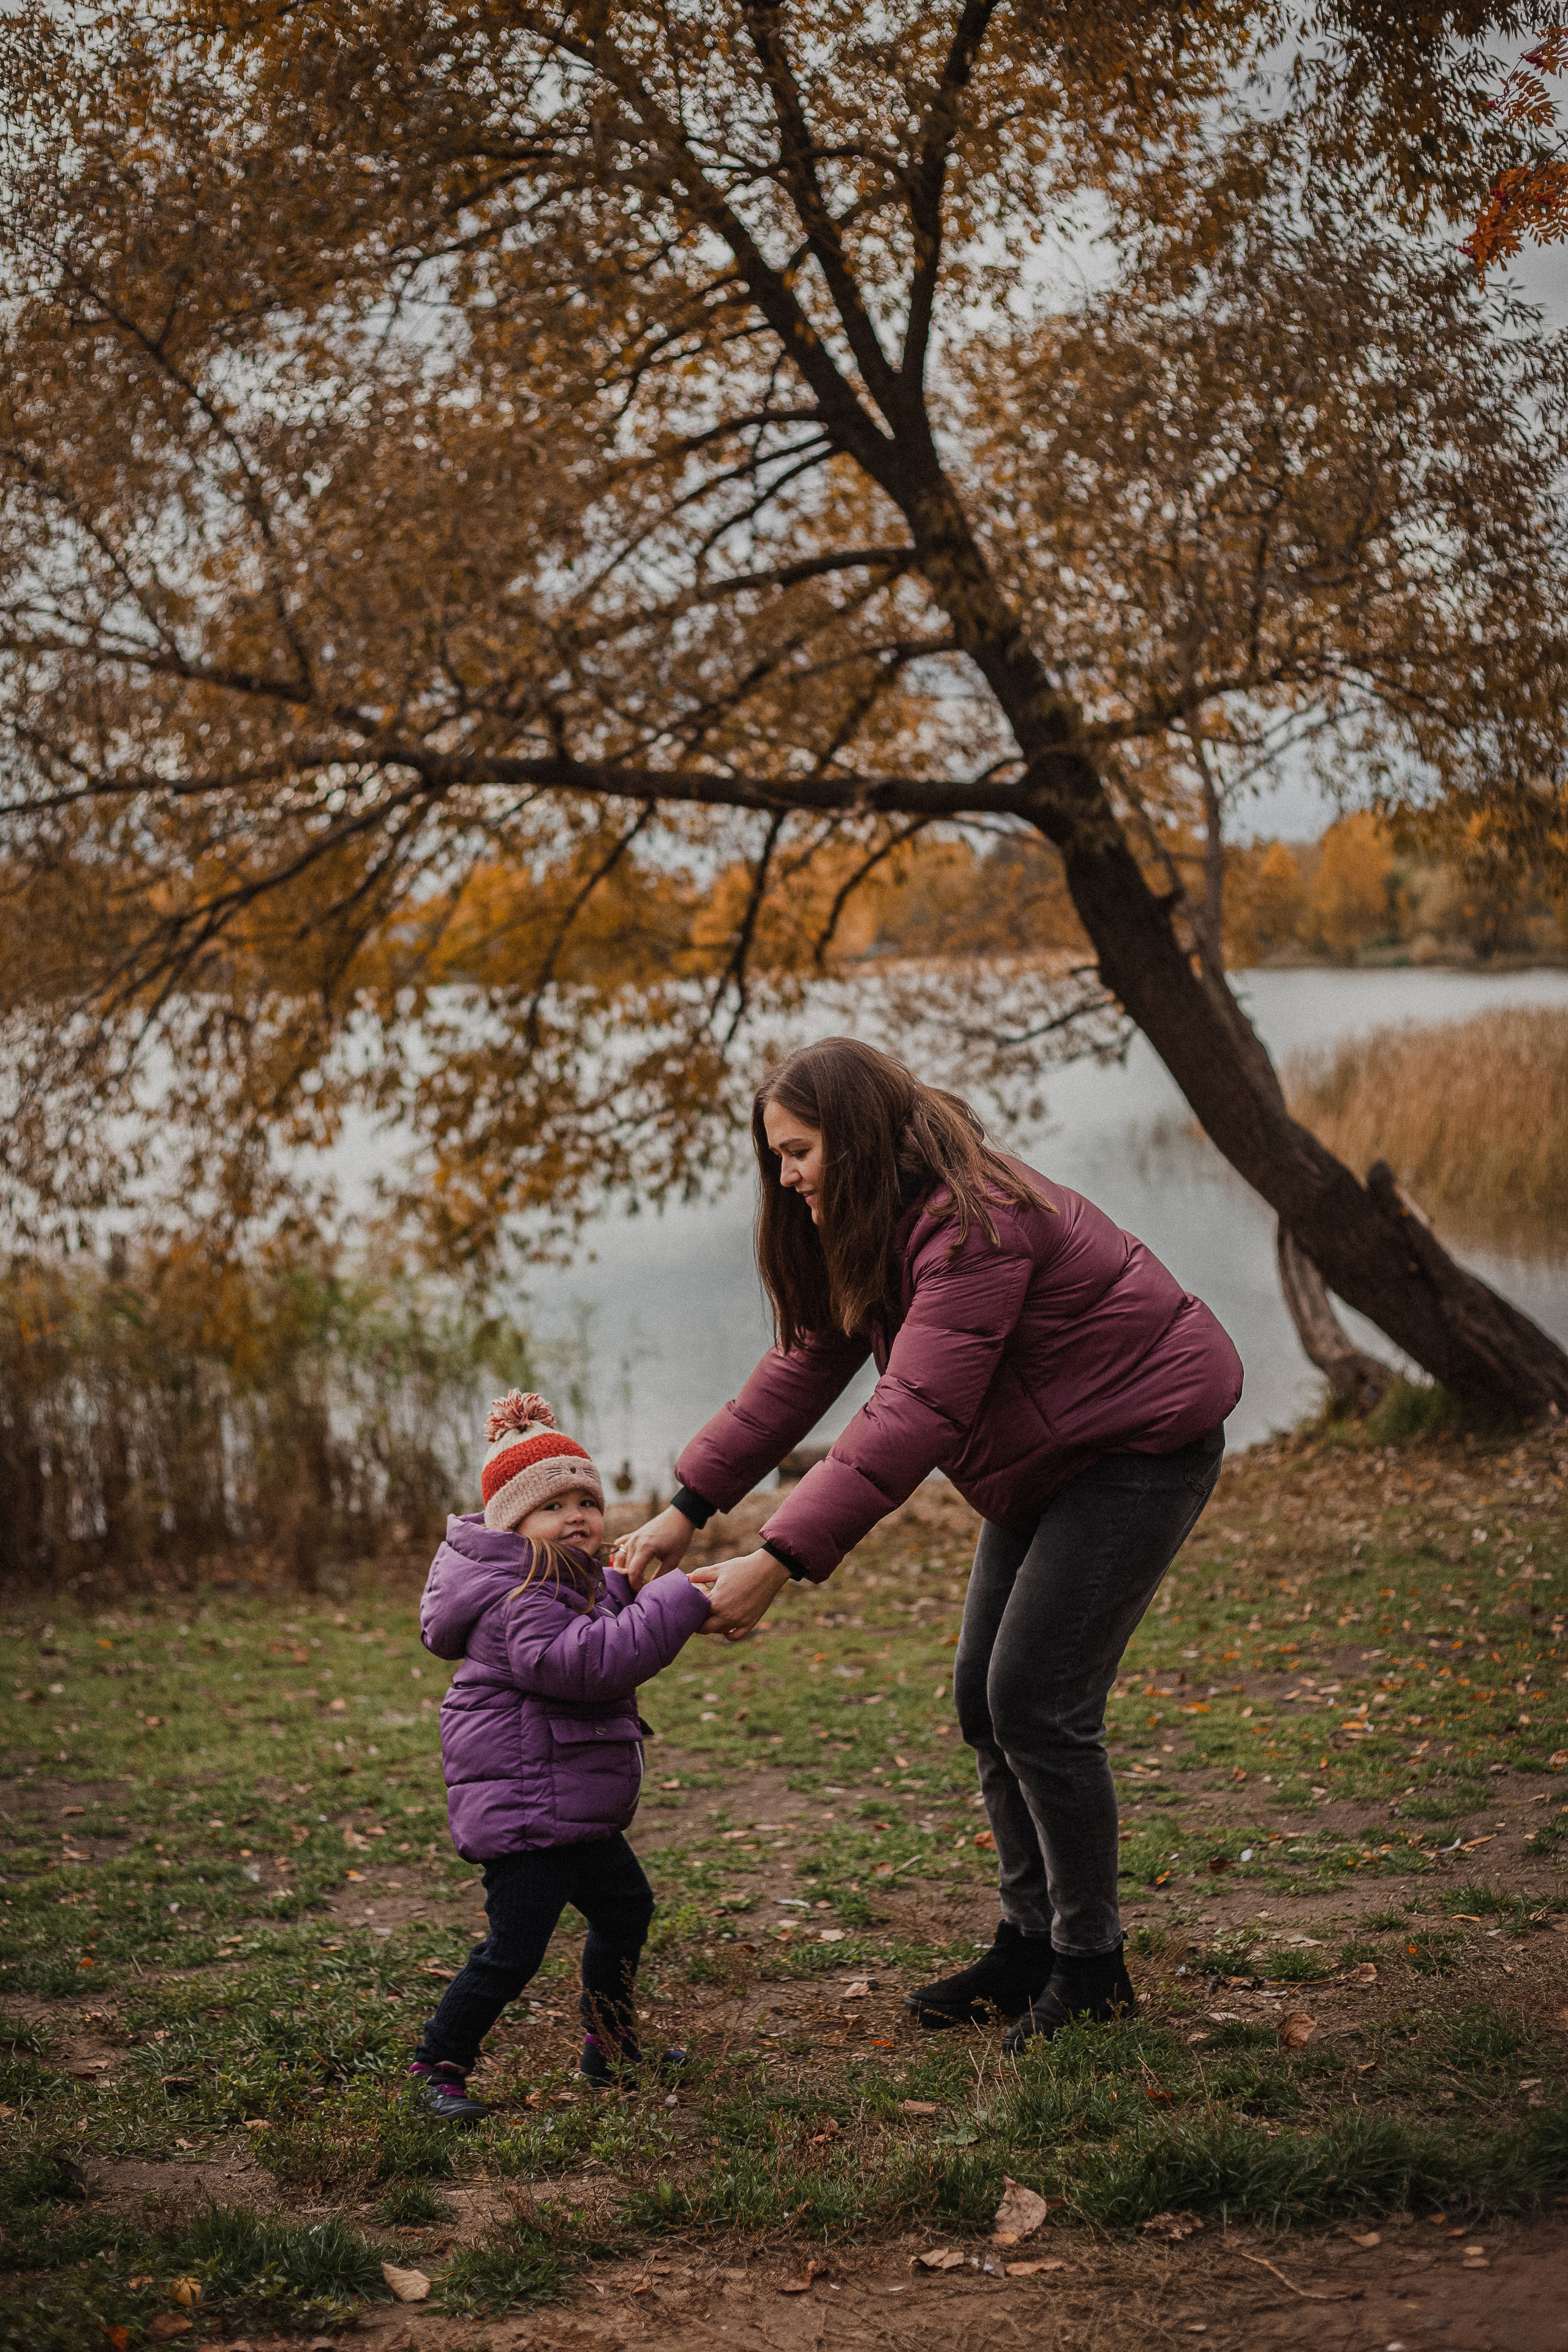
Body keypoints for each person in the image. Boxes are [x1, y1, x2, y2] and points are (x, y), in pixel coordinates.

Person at [617, 1039, 1242, 2049]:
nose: (786, 1178)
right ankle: (1031, 1941)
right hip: (1047, 1459)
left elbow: (911, 1413)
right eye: (775, 1157)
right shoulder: (878, 1219)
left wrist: (776, 1562)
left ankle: (1092, 1970)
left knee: (1035, 1700)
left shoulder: (971, 1225)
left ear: (854, 1141)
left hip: (1138, 1446)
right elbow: (804, 1367)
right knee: (981, 1699)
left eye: (799, 1152)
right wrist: (686, 1507)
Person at [409, 1392, 710, 2120]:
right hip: (527, 1814)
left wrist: (624, 1585)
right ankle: (435, 2067)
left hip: (572, 1809)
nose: (578, 1515)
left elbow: (591, 1618)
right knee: (512, 1950)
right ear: (515, 1524)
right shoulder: (519, 1599)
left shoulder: (556, 1583)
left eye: (587, 1499)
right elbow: (584, 1664)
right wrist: (667, 1604)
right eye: (554, 1506)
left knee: (625, 1909)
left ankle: (610, 2048)